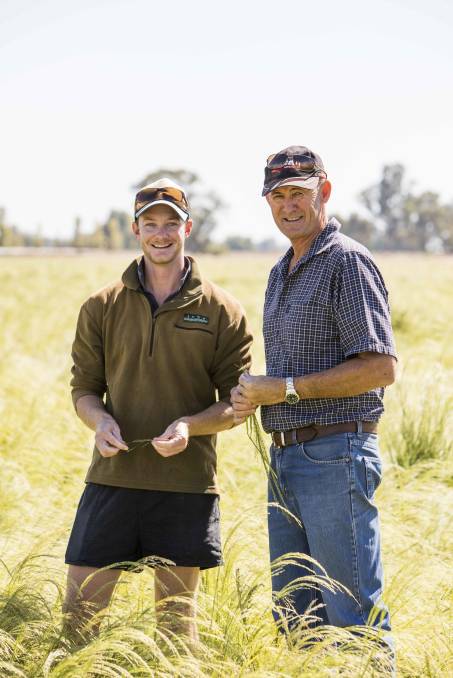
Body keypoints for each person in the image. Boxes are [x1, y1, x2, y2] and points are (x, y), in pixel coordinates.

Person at [64, 178, 252, 645]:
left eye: (171, 223)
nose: (161, 233)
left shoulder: (223, 310)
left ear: (188, 227)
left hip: (185, 486)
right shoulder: (101, 305)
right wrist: (99, 420)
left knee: (174, 633)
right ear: (135, 229)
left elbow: (237, 403)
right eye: (151, 223)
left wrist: (190, 425)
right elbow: (84, 389)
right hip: (111, 480)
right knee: (78, 624)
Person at [231, 146, 397, 642]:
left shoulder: (346, 262)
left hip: (335, 456)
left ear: (323, 191)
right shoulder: (280, 272)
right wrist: (257, 393)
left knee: (352, 618)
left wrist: (282, 389)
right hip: (285, 462)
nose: (289, 206)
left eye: (299, 193)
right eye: (278, 196)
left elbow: (381, 367)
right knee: (298, 619)